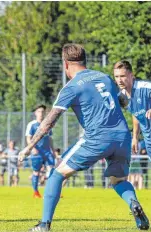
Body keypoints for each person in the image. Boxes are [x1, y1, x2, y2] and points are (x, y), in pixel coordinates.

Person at [18, 44, 149, 231]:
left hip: (98, 138)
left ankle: (44, 224)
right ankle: (134, 204)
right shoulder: (104, 77)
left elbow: (48, 122)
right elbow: (124, 101)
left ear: (65, 64)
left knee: (57, 174)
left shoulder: (71, 87)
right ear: (84, 61)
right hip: (123, 136)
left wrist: (28, 147)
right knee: (119, 180)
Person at [113, 60, 151, 159]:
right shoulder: (122, 97)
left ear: (131, 75)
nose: (119, 80)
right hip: (148, 139)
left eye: (123, 76)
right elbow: (136, 114)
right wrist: (135, 137)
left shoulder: (145, 87)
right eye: (116, 77)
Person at [25, 105, 56, 198]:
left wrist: (53, 150)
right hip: (37, 152)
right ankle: (36, 192)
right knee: (36, 173)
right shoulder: (32, 125)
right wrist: (32, 148)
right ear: (35, 113)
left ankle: (51, 192)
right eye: (39, 111)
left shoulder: (48, 124)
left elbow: (50, 138)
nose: (41, 113)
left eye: (42, 111)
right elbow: (28, 137)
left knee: (52, 171)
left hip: (47, 152)